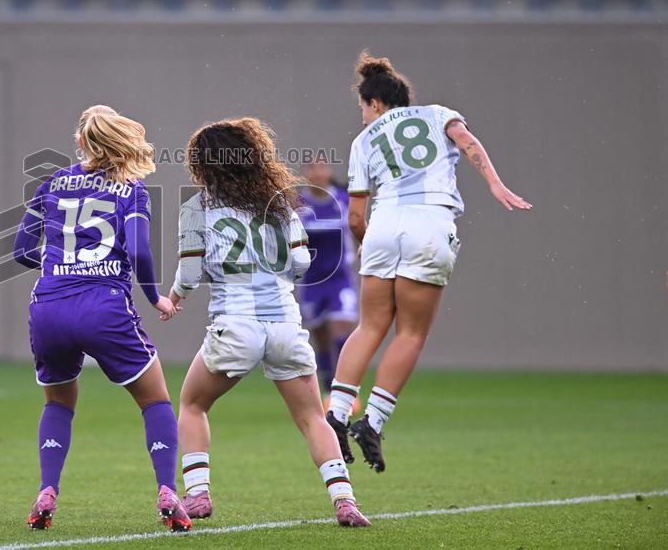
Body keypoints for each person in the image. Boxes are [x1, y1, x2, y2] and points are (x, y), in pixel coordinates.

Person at [326, 52, 532, 473]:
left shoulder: (363, 142)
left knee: (370, 326)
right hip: (430, 220)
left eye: (363, 107)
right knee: (412, 332)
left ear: (376, 103)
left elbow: (354, 217)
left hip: (384, 224)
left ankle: (337, 412)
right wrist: (495, 184)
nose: (363, 116)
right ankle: (374, 423)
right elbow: (468, 142)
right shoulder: (438, 114)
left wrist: (367, 242)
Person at [169, 117, 371, 528]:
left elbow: (189, 275)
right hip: (285, 326)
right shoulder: (282, 203)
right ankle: (345, 501)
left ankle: (198, 495)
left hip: (236, 327)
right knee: (313, 418)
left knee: (192, 404)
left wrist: (173, 299)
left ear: (204, 165)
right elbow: (299, 264)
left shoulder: (198, 207)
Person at [12, 105, 190, 533]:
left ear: (81, 141)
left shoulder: (51, 182)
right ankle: (167, 490)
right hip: (103, 306)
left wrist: (61, 270)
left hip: (49, 307)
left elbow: (20, 251)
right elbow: (138, 252)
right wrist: (155, 299)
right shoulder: (131, 189)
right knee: (156, 401)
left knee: (57, 404)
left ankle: (47, 490)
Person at [297, 162, 359, 398]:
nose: (319, 173)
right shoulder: (299, 205)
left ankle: (346, 389)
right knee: (320, 336)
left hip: (340, 277)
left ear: (329, 173)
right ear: (307, 175)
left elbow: (358, 226)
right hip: (311, 280)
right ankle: (327, 386)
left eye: (323, 168)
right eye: (313, 168)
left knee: (341, 329)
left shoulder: (343, 200)